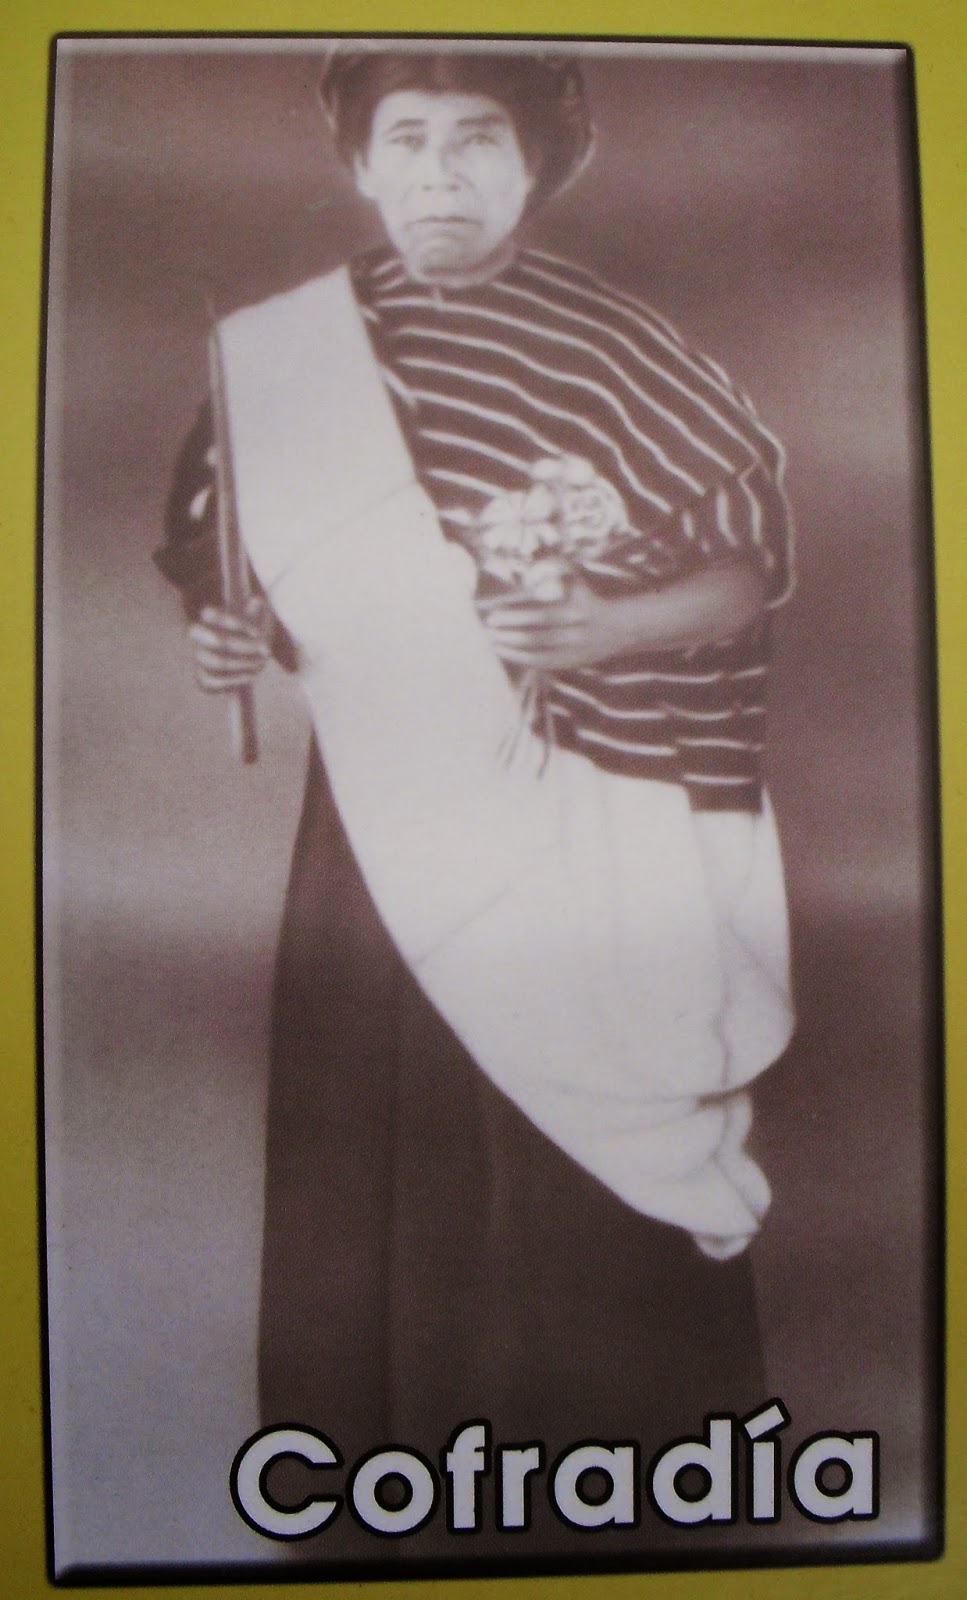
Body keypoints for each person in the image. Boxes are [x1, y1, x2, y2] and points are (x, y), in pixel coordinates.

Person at [157, 47, 794, 1559]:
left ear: (540, 160)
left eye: (478, 140)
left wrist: (611, 627)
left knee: (556, 1154)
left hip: (582, 822)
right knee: (376, 1133)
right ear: (358, 162)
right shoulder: (290, 354)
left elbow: (746, 569)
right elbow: (229, 553)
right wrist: (226, 631)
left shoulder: (622, 347)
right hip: (380, 829)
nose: (440, 175)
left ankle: (614, 1484)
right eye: (408, 140)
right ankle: (374, 1469)